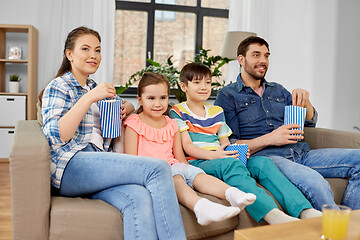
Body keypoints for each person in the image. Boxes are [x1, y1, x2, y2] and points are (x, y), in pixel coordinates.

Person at [41, 26, 186, 240]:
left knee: (139, 197)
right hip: (71, 165)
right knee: (158, 169)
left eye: (98, 50)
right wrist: (89, 98)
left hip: (99, 166)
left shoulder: (92, 86)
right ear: (69, 54)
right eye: (86, 49)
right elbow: (57, 135)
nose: (93, 55)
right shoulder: (60, 86)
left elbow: (123, 104)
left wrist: (125, 107)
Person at [214, 36, 360, 211]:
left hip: (301, 153)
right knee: (316, 183)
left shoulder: (278, 90)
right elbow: (230, 147)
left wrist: (306, 103)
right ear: (241, 59)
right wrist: (270, 138)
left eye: (266, 56)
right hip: (268, 160)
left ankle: (353, 226)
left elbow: (309, 123)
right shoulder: (228, 95)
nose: (263, 61)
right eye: (256, 55)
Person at [170, 62, 322, 224]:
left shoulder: (216, 111)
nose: (204, 87)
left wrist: (236, 151)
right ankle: (273, 215)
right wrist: (218, 156)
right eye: (197, 82)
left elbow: (224, 142)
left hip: (222, 156)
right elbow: (188, 147)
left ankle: (304, 210)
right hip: (200, 162)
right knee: (231, 165)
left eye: (208, 82)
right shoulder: (178, 112)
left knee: (263, 162)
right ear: (184, 86)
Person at [123, 72, 257, 226]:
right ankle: (201, 207)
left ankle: (232, 194)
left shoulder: (171, 123)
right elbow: (131, 160)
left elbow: (179, 157)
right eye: (151, 98)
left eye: (163, 98)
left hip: (172, 165)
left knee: (196, 174)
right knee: (177, 177)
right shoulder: (135, 122)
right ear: (140, 99)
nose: (158, 104)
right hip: (149, 171)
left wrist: (191, 173)